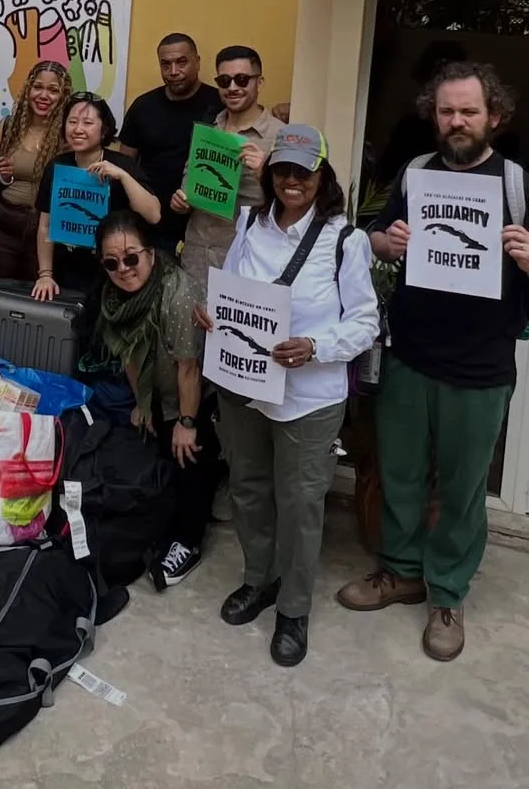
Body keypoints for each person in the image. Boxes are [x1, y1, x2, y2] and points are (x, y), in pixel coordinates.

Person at [337, 61, 529, 662]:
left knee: (465, 487)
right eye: (447, 111)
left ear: (493, 116)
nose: (456, 121)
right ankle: (399, 570)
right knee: (400, 471)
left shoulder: (519, 185)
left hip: (481, 366)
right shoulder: (417, 173)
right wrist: (383, 241)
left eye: (468, 110)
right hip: (412, 355)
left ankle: (446, 591)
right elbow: (374, 235)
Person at [197, 125, 379, 667]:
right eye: (282, 169)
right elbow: (228, 290)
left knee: (300, 502)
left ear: (322, 176)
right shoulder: (250, 223)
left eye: (303, 170)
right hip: (246, 386)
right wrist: (211, 315)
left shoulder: (345, 240)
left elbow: (366, 321)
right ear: (269, 173)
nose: (291, 180)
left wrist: (316, 345)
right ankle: (260, 580)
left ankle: (294, 608)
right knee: (250, 487)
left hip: (309, 395)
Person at [92, 210, 215, 589]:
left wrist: (187, 422)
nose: (123, 269)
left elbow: (189, 369)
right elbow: (129, 350)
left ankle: (189, 541)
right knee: (161, 457)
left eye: (132, 258)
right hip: (155, 388)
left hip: (193, 393)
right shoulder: (116, 295)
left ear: (150, 253)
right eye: (112, 262)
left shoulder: (177, 295)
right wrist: (141, 402)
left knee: (190, 459)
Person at [172, 46, 284, 283]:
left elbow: (294, 208)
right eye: (224, 81)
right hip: (196, 257)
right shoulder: (208, 130)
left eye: (242, 79)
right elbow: (189, 184)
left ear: (259, 82)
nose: (233, 87)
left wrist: (264, 171)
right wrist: (181, 202)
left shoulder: (281, 136)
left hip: (248, 263)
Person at [33, 92, 160, 300]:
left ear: (104, 130)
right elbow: (45, 226)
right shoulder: (57, 166)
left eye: (88, 123)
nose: (78, 129)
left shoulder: (122, 165)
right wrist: (45, 274)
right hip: (67, 270)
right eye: (72, 122)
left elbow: (154, 215)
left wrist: (123, 177)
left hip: (115, 272)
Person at [119, 33, 221, 251]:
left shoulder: (220, 104)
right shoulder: (143, 106)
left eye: (181, 62)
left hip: (201, 226)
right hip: (148, 222)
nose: (173, 71)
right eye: (166, 64)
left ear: (198, 62)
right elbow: (125, 165)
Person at [0, 61, 72, 280]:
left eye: (53, 90)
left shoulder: (68, 136)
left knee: (37, 302)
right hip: (3, 229)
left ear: (63, 96)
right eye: (38, 87)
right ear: (28, 89)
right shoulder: (7, 128)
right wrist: (2, 177)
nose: (43, 95)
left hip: (46, 234)